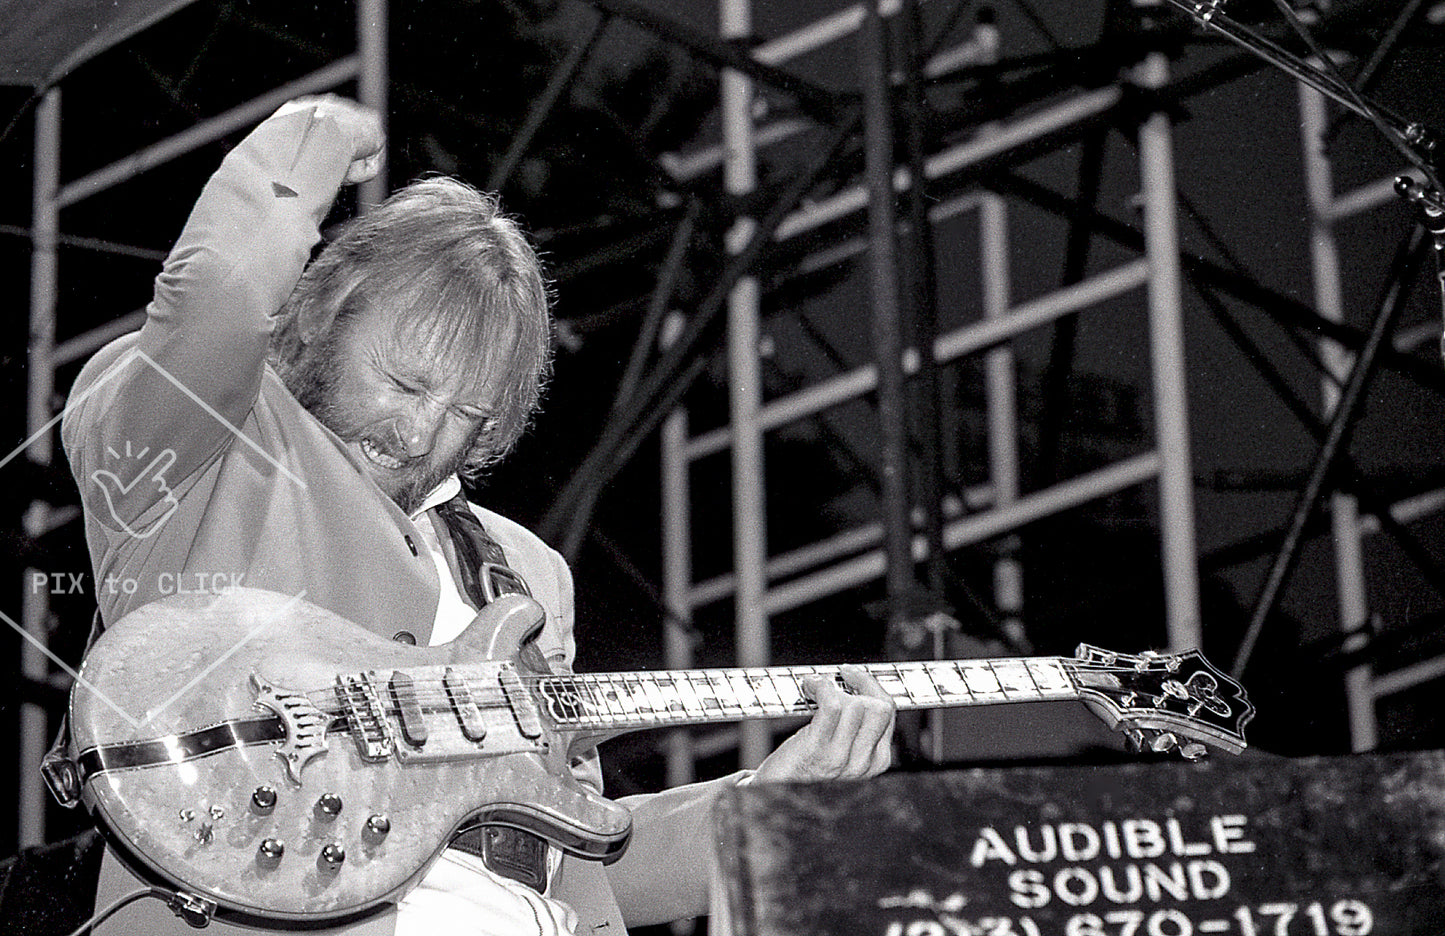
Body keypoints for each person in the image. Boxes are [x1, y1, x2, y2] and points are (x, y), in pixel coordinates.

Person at [60, 95, 896, 936]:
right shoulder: (205, 449)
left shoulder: (525, 573)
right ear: (323, 314)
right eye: (406, 383)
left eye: (468, 413)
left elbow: (580, 855)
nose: (422, 432)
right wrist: (312, 136)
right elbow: (220, 293)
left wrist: (769, 802)